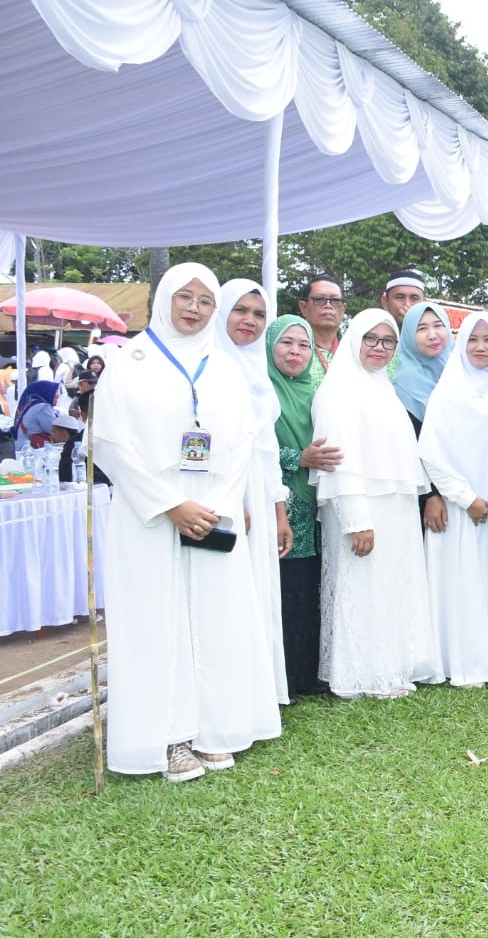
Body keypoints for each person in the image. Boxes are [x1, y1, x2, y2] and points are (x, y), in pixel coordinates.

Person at [93, 263, 280, 781]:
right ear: (164, 298)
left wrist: (216, 503)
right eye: (186, 297)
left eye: (205, 301)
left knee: (216, 618)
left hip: (211, 510)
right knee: (158, 619)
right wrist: (170, 504)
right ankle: (168, 737)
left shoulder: (222, 367)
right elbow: (109, 442)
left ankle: (214, 727)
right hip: (148, 511)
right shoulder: (128, 361)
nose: (195, 309)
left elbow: (241, 440)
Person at [311, 308, 438, 698]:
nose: (380, 348)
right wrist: (356, 519)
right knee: (362, 588)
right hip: (361, 507)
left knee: (391, 588)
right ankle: (361, 674)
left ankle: (392, 665)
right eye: (371, 339)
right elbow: (338, 461)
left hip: (394, 505)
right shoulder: (338, 390)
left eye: (388, 341)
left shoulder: (381, 387)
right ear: (354, 340)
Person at [418, 312, 488, 688]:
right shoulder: (449, 389)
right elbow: (431, 453)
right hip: (461, 508)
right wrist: (465, 497)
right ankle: (459, 662)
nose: (480, 347)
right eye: (473, 339)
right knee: (459, 586)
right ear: (461, 343)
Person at [217, 278, 293, 705]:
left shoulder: (252, 367)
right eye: (240, 310)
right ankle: (230, 698)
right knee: (229, 593)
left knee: (260, 591)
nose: (249, 320)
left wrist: (277, 509)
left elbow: (265, 445)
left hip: (260, 494)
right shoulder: (210, 365)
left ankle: (258, 697)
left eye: (259, 314)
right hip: (225, 492)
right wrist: (232, 499)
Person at [266, 314, 334, 697]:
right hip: (281, 503)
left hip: (315, 505)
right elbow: (252, 449)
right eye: (286, 343)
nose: (295, 352)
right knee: (285, 592)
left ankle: (309, 675)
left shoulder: (318, 393)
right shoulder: (262, 392)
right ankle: (283, 678)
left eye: (303, 345)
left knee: (312, 590)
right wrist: (297, 458)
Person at [393, 301, 455, 535]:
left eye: (438, 326)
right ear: (408, 335)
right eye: (421, 329)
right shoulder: (403, 383)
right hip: (427, 496)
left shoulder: (459, 373)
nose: (432, 335)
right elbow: (409, 447)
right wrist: (430, 494)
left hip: (463, 490)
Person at [295, 274, 346, 389]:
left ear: (343, 309)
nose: (328, 305)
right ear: (303, 307)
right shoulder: (291, 352)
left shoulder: (355, 353)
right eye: (319, 300)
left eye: (336, 301)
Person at [14, 379, 62, 448]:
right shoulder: (42, 407)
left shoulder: (32, 405)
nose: (58, 395)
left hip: (22, 447)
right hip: (30, 452)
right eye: (55, 392)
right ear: (47, 392)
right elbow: (56, 431)